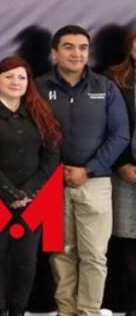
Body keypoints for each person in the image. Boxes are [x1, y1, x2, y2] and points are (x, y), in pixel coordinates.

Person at [36, 25, 129, 316]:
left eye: (83, 47)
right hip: (52, 184)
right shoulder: (38, 87)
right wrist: (54, 171)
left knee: (94, 256)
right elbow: (28, 133)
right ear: (54, 53)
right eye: (68, 47)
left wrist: (88, 170)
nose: (76, 53)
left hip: (95, 184)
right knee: (61, 253)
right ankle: (66, 311)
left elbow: (120, 135)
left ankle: (89, 312)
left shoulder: (105, 86)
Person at [0, 56, 61, 316]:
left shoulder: (40, 110)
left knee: (26, 258)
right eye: (9, 76)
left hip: (33, 199)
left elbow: (51, 156)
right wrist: (10, 193)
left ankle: (19, 310)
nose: (16, 82)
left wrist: (28, 193)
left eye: (22, 77)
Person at [106, 25, 136, 316]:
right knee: (128, 238)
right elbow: (108, 125)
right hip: (125, 171)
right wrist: (123, 163)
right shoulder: (114, 79)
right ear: (130, 46)